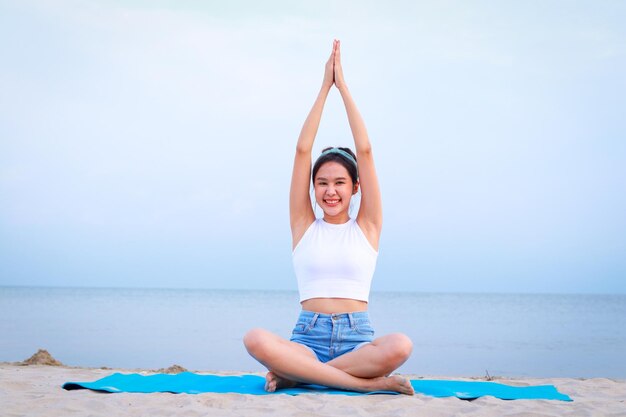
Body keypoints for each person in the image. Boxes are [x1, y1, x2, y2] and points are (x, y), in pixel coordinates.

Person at [243, 40, 414, 395]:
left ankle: (300, 375)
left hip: (357, 341)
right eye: (321, 183)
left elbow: (365, 151)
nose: (330, 191)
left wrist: (344, 88)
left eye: (339, 183)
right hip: (307, 339)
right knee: (254, 339)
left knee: (401, 345)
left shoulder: (367, 226)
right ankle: (365, 386)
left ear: (356, 187)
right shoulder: (304, 226)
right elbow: (302, 150)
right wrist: (324, 87)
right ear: (313, 188)